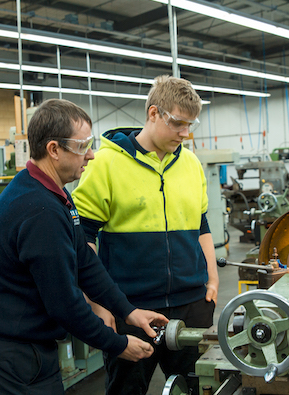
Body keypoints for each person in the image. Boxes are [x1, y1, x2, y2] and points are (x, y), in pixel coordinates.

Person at [0, 98, 168, 395]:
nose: (91, 155)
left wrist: (128, 311)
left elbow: (85, 262)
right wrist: (118, 344)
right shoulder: (39, 211)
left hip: (30, 350)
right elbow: (64, 302)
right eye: (82, 146)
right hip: (10, 358)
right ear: (54, 149)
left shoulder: (53, 192)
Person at [72, 75, 219, 394]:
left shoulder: (191, 164)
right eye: (178, 123)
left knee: (197, 387)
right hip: (129, 307)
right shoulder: (106, 164)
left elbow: (201, 225)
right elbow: (83, 238)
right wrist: (98, 303)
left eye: (190, 125)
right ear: (154, 113)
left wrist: (212, 278)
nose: (185, 133)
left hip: (190, 304)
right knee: (127, 389)